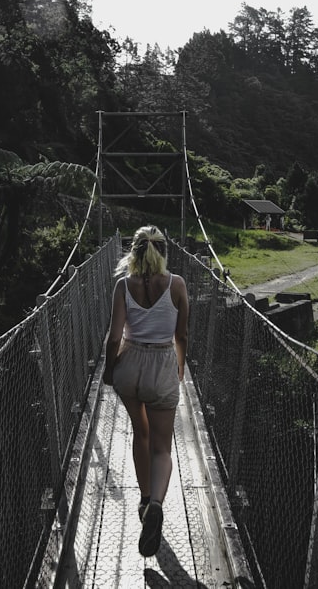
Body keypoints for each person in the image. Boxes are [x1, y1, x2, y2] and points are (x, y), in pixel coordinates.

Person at [103, 225, 189, 558]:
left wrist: (111, 370)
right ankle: (155, 503)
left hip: (130, 365)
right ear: (163, 252)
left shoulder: (123, 286)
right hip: (161, 365)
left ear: (134, 252)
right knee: (162, 448)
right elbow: (182, 335)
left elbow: (113, 338)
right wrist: (179, 367)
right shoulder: (178, 284)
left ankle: (142, 500)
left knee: (140, 434)